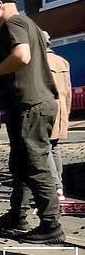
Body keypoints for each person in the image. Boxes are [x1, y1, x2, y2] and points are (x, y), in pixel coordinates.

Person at [0, 0, 64, 244]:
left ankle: (51, 226)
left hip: (30, 106)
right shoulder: (28, 24)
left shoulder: (13, 23)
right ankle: (17, 216)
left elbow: (22, 57)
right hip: (27, 105)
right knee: (22, 166)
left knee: (35, 167)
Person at [43, 31, 72, 201]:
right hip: (60, 110)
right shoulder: (63, 62)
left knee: (45, 148)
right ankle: (59, 186)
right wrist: (66, 113)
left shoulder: (38, 62)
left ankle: (55, 187)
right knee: (54, 148)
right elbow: (68, 91)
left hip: (46, 110)